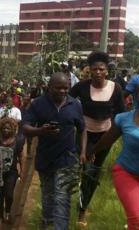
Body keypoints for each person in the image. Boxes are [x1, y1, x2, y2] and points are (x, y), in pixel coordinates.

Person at [88, 81, 139, 230]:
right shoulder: (124, 118)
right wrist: (90, 152)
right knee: (138, 220)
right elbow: (107, 139)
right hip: (126, 173)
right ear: (136, 97)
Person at [23, 72, 87, 230]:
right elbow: (25, 127)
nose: (63, 91)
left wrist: (83, 151)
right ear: (49, 87)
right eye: (58, 88)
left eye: (66, 88)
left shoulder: (75, 105)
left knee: (62, 197)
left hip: (67, 159)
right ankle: (47, 222)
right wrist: (40, 131)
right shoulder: (37, 104)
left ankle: (60, 227)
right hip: (46, 158)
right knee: (48, 194)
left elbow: (82, 129)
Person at [69, 51, 126, 226]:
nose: (98, 72)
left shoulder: (115, 88)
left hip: (106, 136)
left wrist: (116, 132)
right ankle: (80, 205)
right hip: (85, 134)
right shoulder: (81, 87)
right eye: (94, 69)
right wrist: (75, 120)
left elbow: (121, 112)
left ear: (107, 71)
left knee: (94, 172)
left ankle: (83, 208)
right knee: (86, 168)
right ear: (89, 70)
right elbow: (68, 102)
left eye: (101, 69)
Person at [0, 118, 24, 224]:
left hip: (11, 172)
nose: (6, 130)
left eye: (8, 128)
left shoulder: (17, 141)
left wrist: (22, 170)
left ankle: (7, 211)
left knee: (9, 194)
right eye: (4, 128)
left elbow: (21, 156)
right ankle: (0, 216)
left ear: (12, 129)